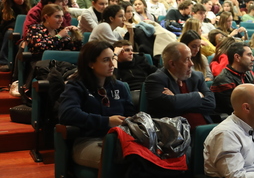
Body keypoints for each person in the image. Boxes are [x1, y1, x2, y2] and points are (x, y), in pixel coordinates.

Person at [58, 41, 135, 169]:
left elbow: (131, 114)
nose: (112, 64)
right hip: (88, 141)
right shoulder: (76, 86)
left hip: (120, 139)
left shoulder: (119, 86)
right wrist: (107, 121)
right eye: (105, 60)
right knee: (122, 159)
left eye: (113, 59)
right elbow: (67, 113)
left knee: (148, 155)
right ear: (90, 63)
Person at [145, 42, 217, 128]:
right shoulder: (156, 79)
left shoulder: (197, 76)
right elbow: (171, 106)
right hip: (176, 134)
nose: (192, 64)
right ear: (172, 64)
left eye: (191, 58)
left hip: (205, 129)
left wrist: (176, 98)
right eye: (187, 59)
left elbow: (211, 103)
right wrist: (198, 95)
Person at [211, 42, 254, 115]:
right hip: (231, 121)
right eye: (249, 55)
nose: (253, 59)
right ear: (237, 57)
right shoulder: (223, 80)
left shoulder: (249, 74)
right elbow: (237, 109)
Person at [0, 0, 31, 68]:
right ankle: (3, 61)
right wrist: (12, 26)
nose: (21, 0)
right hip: (6, 30)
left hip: (25, 28)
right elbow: (3, 23)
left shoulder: (28, 5)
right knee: (10, 33)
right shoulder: (5, 6)